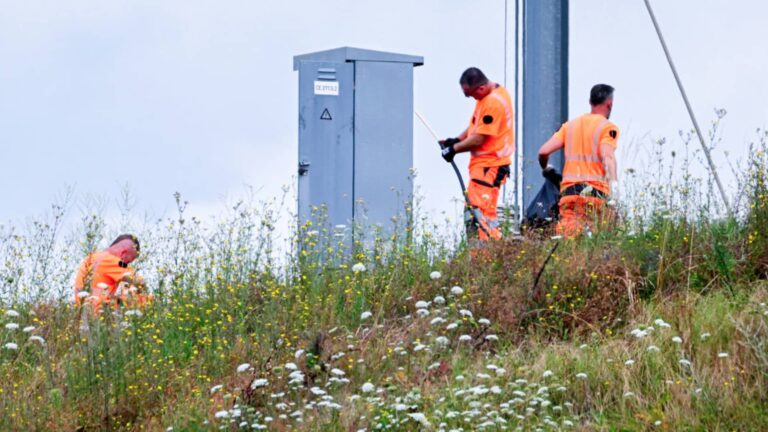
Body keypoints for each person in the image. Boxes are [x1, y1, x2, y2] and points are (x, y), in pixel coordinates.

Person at [440, 67, 515, 241]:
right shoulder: (487, 97)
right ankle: (482, 253)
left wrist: (454, 150)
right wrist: (456, 140)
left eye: (470, 94)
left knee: (481, 212)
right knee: (475, 211)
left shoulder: (493, 103)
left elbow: (479, 139)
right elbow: (476, 126)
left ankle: (488, 252)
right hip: (484, 166)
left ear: (480, 89)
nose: (469, 98)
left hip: (490, 165)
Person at [538, 84, 619, 238]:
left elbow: (543, 151)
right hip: (596, 195)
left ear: (590, 101)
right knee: (597, 243)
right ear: (609, 103)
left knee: (568, 241)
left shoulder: (570, 126)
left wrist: (546, 168)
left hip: (570, 195)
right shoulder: (608, 128)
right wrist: (614, 183)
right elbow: (607, 156)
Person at [74, 234, 150, 311]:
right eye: (128, 261)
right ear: (123, 254)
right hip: (101, 317)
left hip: (84, 315)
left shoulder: (91, 258)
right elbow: (140, 281)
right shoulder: (113, 261)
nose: (127, 264)